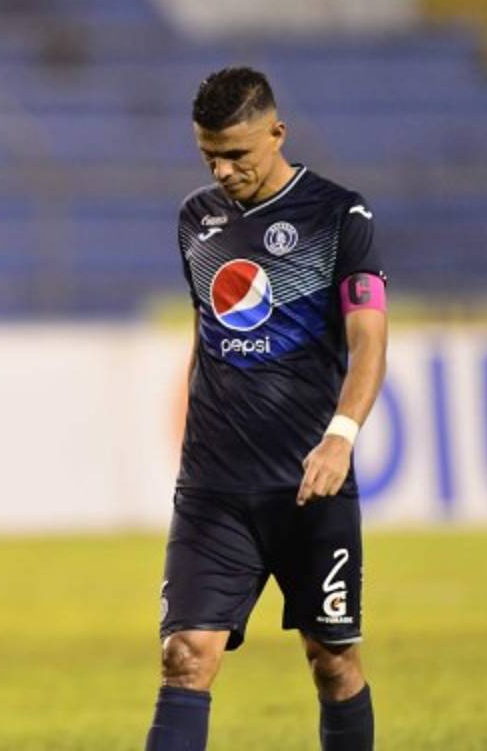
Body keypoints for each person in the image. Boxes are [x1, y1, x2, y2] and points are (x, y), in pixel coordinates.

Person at [145, 67, 388, 751]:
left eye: (236, 154)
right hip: (214, 490)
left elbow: (369, 340)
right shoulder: (196, 221)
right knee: (184, 656)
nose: (222, 171)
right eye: (209, 156)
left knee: (332, 662)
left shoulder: (340, 217)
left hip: (309, 487)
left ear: (277, 133)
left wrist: (340, 436)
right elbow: (207, 336)